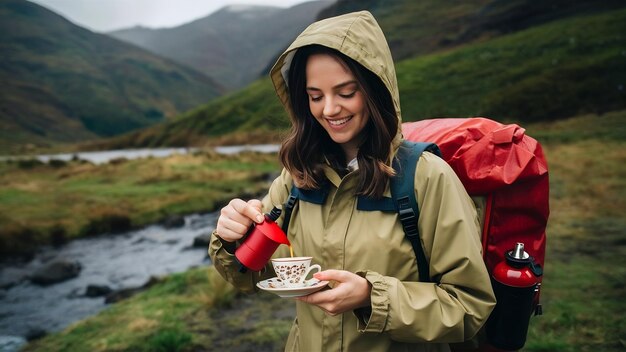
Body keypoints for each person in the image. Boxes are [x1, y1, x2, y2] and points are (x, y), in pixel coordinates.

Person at [209, 10, 496, 351]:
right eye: (315, 96)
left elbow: (469, 306)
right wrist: (231, 239)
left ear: (376, 91)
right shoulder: (297, 176)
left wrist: (371, 297)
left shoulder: (427, 177)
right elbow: (249, 273)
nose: (329, 109)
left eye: (346, 93)